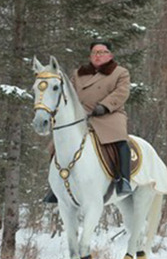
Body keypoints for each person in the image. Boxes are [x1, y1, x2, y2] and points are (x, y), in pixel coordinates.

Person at [44, 40, 132, 203]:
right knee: (57, 145)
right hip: (80, 117)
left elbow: (121, 93)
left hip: (109, 116)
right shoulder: (79, 74)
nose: (97, 56)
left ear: (110, 55)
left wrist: (104, 107)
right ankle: (56, 187)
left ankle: (123, 180)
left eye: (102, 52)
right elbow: (67, 93)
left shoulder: (120, 73)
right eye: (94, 53)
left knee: (120, 142)